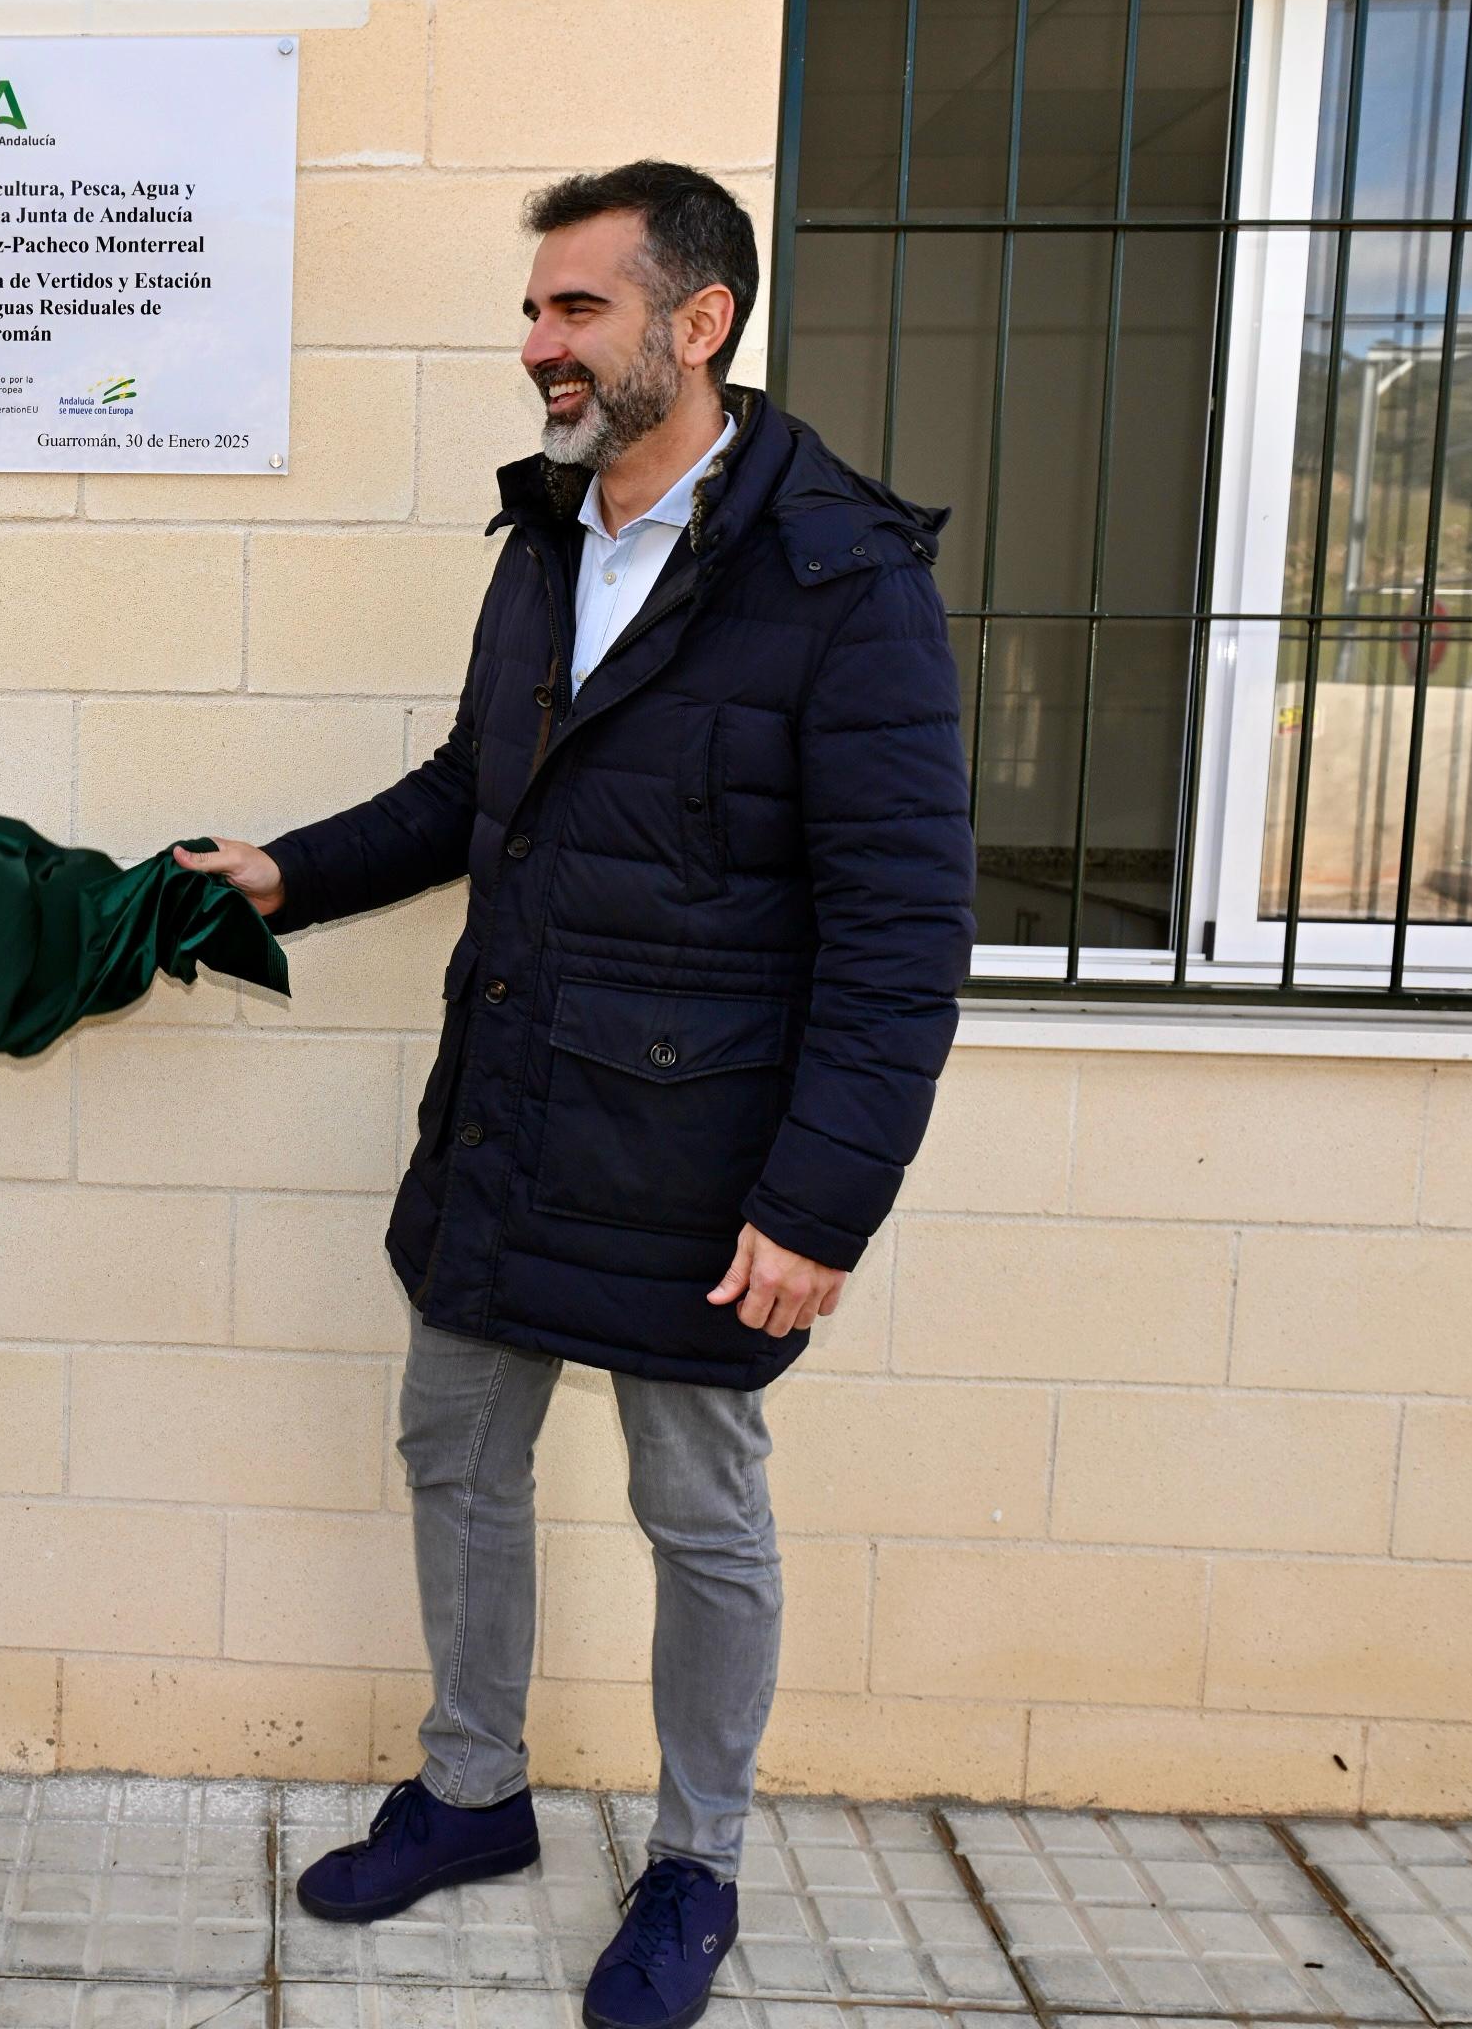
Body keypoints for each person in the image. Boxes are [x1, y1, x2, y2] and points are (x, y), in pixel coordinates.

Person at [175, 163, 973, 2029]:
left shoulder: (841, 578)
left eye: (576, 309)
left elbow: (899, 931)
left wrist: (820, 1203)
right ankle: (471, 1793)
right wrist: (286, 873)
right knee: (455, 1452)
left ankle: (696, 1861)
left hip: (705, 1165)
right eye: (534, 310)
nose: (538, 343)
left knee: (700, 1514)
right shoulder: (547, 536)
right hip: (512, 1109)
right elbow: (476, 786)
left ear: (699, 322)